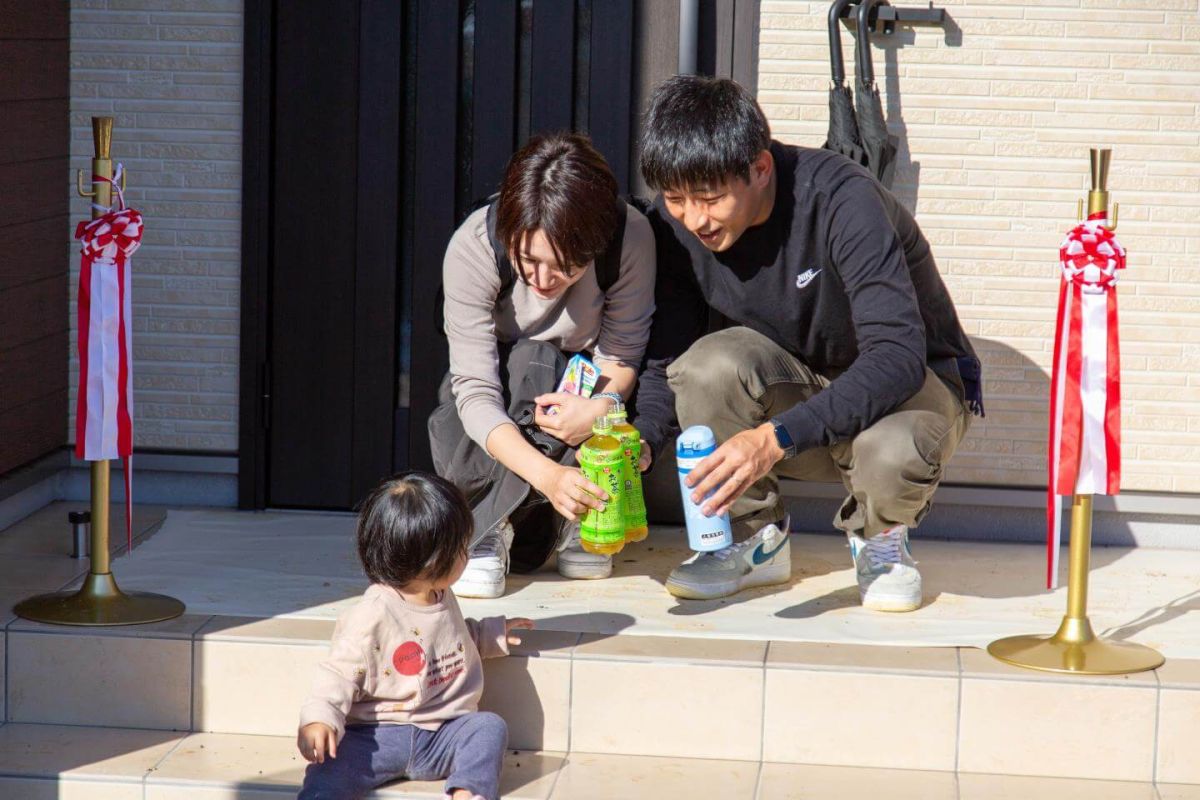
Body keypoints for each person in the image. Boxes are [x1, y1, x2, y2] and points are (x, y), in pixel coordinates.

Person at [633, 76, 983, 612]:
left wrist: (773, 439)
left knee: (890, 449)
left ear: (760, 169)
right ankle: (755, 542)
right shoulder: (675, 226)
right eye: (677, 199)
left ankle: (883, 542)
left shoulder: (843, 199)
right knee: (706, 365)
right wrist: (642, 441)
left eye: (710, 199)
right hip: (804, 387)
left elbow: (896, 358)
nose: (694, 219)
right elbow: (668, 353)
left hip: (912, 390)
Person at [430, 132, 656, 598]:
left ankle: (580, 520)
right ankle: (487, 523)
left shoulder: (630, 237)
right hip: (499, 392)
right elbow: (474, 390)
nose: (543, 279)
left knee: (564, 372)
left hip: (580, 386)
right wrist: (548, 477)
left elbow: (622, 357)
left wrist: (603, 406)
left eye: (567, 266)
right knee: (528, 360)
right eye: (528, 259)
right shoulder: (473, 246)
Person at [296, 472, 534, 800]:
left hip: (442, 732)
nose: (467, 553)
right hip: (374, 737)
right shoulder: (372, 615)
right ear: (433, 561)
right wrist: (319, 719)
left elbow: (453, 640)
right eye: (462, 547)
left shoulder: (441, 594)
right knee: (329, 770)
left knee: (489, 728)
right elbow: (336, 675)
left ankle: (468, 792)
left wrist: (490, 634)